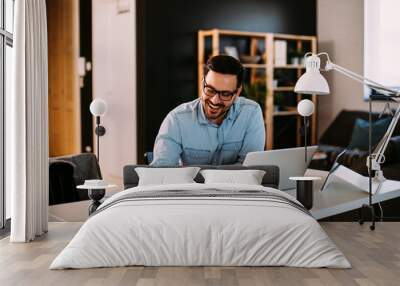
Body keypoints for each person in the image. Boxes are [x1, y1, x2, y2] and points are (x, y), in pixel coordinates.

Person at [151, 55, 265, 166]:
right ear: (202, 84)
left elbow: (251, 169)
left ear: (238, 92)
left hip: (237, 186)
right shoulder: (177, 119)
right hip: (190, 185)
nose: (215, 101)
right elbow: (162, 171)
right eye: (210, 90)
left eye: (225, 94)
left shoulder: (251, 113)